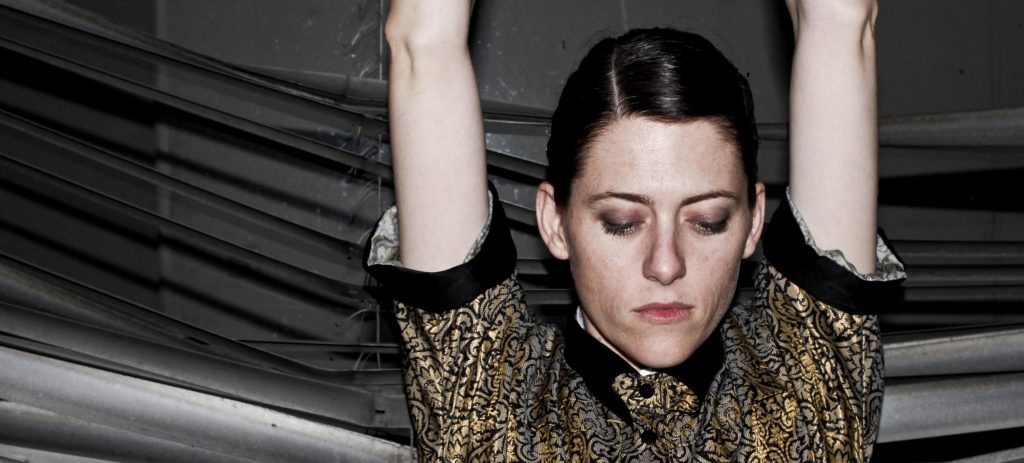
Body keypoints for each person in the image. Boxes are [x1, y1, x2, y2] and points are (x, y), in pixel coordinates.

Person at [365, 0, 906, 461]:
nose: (666, 264)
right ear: (555, 223)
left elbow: (840, 20)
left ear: (753, 222)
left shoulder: (808, 383)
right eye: (621, 223)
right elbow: (423, 45)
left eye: (708, 221)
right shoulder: (486, 393)